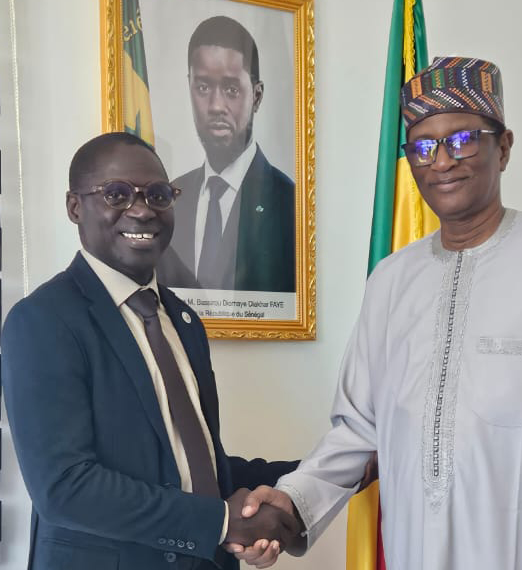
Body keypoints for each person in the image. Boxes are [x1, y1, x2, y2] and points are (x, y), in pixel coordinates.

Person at [232, 56, 522, 569]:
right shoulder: (391, 281)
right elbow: (357, 431)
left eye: (463, 139)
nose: (442, 161)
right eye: (423, 147)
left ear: (504, 147)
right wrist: (293, 502)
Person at [1, 132, 300, 570]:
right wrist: (222, 523)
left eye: (158, 194)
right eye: (116, 194)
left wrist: (321, 473)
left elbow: (194, 468)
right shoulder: (43, 321)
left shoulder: (182, 320)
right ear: (75, 207)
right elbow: (66, 488)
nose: (142, 209)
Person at [157, 15, 295, 293]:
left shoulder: (290, 203)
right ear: (189, 87)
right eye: (203, 87)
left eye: (231, 89)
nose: (216, 106)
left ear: (257, 96)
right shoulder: (170, 201)